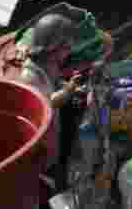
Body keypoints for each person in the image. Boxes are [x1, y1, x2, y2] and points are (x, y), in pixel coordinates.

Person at [18, 13, 86, 191]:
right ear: (52, 47)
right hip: (43, 134)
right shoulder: (30, 76)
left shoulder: (50, 64)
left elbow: (55, 82)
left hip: (54, 127)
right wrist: (69, 90)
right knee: (47, 163)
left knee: (57, 150)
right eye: (66, 48)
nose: (68, 52)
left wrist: (70, 88)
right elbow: (48, 103)